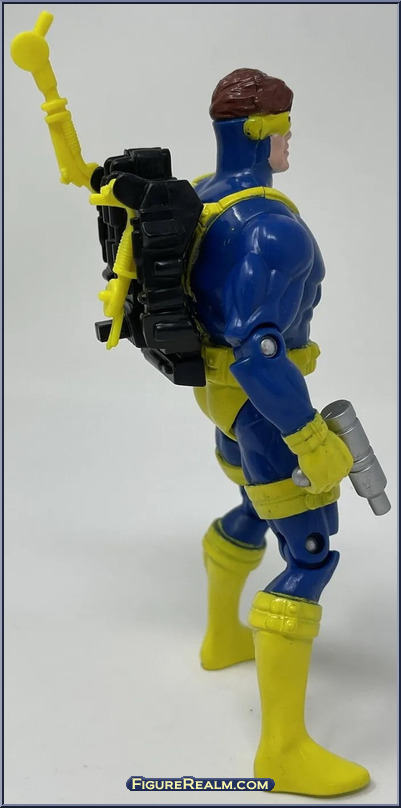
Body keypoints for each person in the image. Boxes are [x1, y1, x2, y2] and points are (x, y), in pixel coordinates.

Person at [190, 68, 369, 796]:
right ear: (262, 131)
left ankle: (221, 638)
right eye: (285, 129)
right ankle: (282, 749)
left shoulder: (203, 196)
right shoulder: (273, 229)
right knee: (310, 550)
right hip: (264, 406)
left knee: (250, 504)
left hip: (217, 400)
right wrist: (312, 442)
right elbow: (259, 350)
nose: (290, 142)